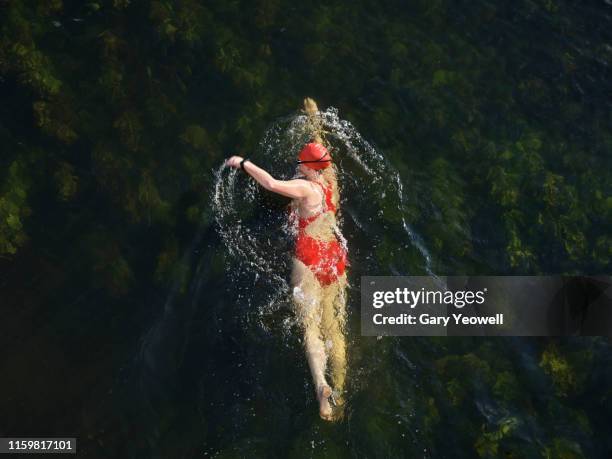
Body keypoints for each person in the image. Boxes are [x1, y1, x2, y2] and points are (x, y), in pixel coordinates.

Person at [225, 99, 348, 421]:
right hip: (334, 257)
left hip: (308, 257)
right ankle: (342, 388)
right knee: (334, 327)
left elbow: (270, 184)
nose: (298, 164)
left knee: (310, 329)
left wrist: (243, 163)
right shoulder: (330, 179)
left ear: (308, 168)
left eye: (301, 162)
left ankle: (320, 385)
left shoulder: (305, 188)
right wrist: (313, 116)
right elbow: (320, 146)